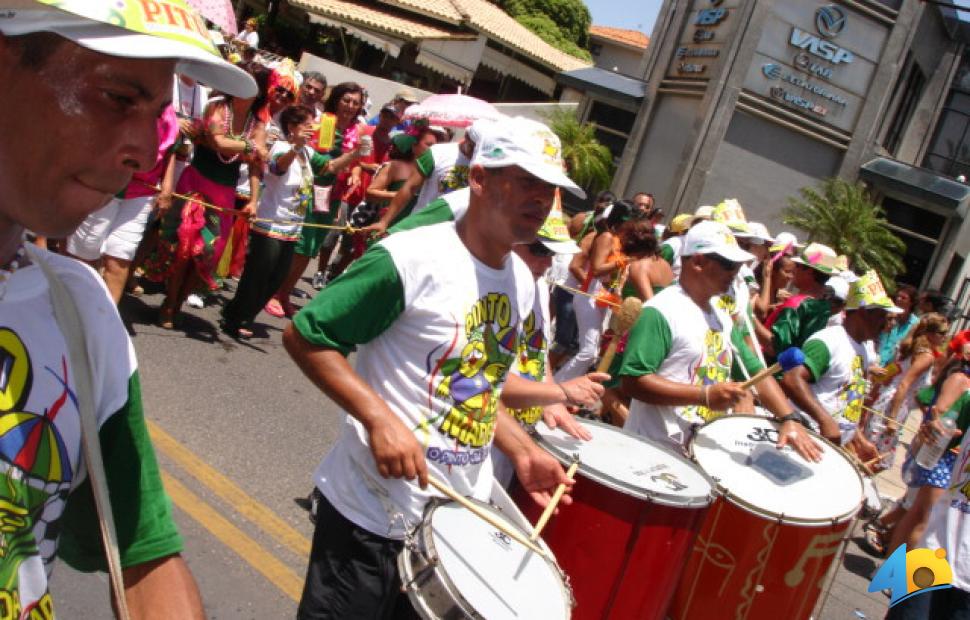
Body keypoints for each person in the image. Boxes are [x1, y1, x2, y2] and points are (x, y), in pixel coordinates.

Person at [0, 0, 257, 614]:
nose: (145, 151)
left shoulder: (78, 309)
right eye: (117, 98)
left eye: (160, 115)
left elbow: (141, 554)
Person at [283, 117, 583, 617]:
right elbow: (308, 334)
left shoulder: (524, 282)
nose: (542, 199)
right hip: (370, 515)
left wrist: (521, 449)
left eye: (550, 187)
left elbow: (479, 382)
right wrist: (379, 420)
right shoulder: (410, 257)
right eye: (527, 180)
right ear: (480, 178)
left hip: (450, 521)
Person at [618, 221, 819, 460]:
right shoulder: (660, 311)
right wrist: (704, 395)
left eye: (737, 264)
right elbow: (633, 380)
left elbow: (755, 371)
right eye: (727, 264)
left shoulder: (722, 316)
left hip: (697, 451)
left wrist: (789, 418)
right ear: (699, 262)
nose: (735, 271)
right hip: (652, 449)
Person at [150, 65, 268, 329]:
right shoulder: (217, 107)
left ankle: (179, 302)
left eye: (250, 84)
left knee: (207, 253)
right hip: (196, 182)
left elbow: (256, 166)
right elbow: (218, 142)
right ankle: (169, 303)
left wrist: (253, 200)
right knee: (183, 246)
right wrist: (252, 146)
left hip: (224, 194)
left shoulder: (257, 124)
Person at [220, 105, 339, 338]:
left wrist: (355, 154)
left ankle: (246, 315)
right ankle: (234, 317)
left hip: (292, 226)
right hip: (271, 222)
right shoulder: (282, 147)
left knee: (276, 278)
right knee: (258, 274)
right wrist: (296, 146)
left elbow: (330, 167)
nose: (311, 127)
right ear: (292, 127)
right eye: (306, 124)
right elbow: (278, 166)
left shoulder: (307, 152)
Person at [67, 105, 179, 303]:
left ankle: (106, 324)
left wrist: (167, 187)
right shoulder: (125, 96)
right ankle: (73, 311)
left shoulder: (167, 108)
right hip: (106, 183)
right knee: (85, 252)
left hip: (142, 192)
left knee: (121, 255)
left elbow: (171, 150)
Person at [270, 82, 365, 315]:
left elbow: (355, 162)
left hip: (332, 196)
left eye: (355, 102)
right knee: (299, 245)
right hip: (311, 190)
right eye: (346, 100)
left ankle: (285, 294)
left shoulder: (357, 129)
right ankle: (273, 292)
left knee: (312, 248)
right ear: (336, 100)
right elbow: (317, 159)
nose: (350, 106)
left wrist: (354, 173)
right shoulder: (325, 123)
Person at [780, 270, 901, 446]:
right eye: (881, 316)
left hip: (830, 445)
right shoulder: (829, 341)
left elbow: (848, 401)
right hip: (806, 438)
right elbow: (792, 379)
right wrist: (825, 420)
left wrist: (859, 441)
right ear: (862, 312)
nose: (885, 325)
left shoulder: (863, 350)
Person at [363, 118, 494, 236]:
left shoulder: (485, 163)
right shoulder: (438, 153)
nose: (476, 152)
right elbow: (409, 188)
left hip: (455, 234)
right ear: (466, 137)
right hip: (422, 228)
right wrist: (385, 222)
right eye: (474, 147)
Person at [554, 200, 636, 383]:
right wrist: (624, 261)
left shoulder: (617, 239)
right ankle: (557, 387)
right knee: (588, 351)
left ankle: (565, 388)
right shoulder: (606, 237)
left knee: (592, 352)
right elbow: (597, 269)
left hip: (602, 298)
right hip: (589, 296)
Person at [766, 242, 841, 359]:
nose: (794, 269)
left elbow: (774, 347)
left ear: (809, 272)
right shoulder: (824, 305)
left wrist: (751, 320)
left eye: (798, 265)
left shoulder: (796, 305)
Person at [877, 284, 919, 366]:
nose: (898, 299)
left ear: (911, 302)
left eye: (903, 298)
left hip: (894, 367)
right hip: (877, 360)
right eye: (898, 296)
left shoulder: (916, 324)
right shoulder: (887, 315)